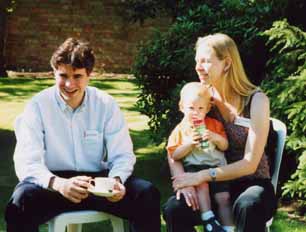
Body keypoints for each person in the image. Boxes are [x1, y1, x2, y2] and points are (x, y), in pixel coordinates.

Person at [5, 37, 161, 232]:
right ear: (54, 72)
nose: (69, 84)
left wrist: (117, 181)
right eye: (63, 76)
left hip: (98, 184)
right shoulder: (37, 106)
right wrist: (59, 184)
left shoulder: (105, 104)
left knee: (146, 194)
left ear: (89, 75)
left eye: (77, 76)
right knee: (21, 201)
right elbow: (27, 162)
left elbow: (122, 154)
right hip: (54, 184)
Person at [163, 33, 277, 232]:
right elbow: (175, 143)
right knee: (175, 208)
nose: (198, 67)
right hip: (212, 187)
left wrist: (201, 176)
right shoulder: (203, 100)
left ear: (226, 63)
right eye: (197, 61)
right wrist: (184, 182)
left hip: (252, 183)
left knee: (248, 205)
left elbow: (250, 164)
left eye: (205, 61)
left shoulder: (256, 101)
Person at [166, 82, 234, 232]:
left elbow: (224, 146)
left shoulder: (214, 125)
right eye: (191, 108)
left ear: (208, 109)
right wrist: (189, 144)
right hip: (194, 168)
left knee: (224, 198)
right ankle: (208, 220)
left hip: (217, 168)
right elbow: (174, 155)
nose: (195, 112)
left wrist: (215, 137)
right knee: (201, 186)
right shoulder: (180, 130)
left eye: (200, 108)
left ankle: (228, 228)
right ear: (182, 107)